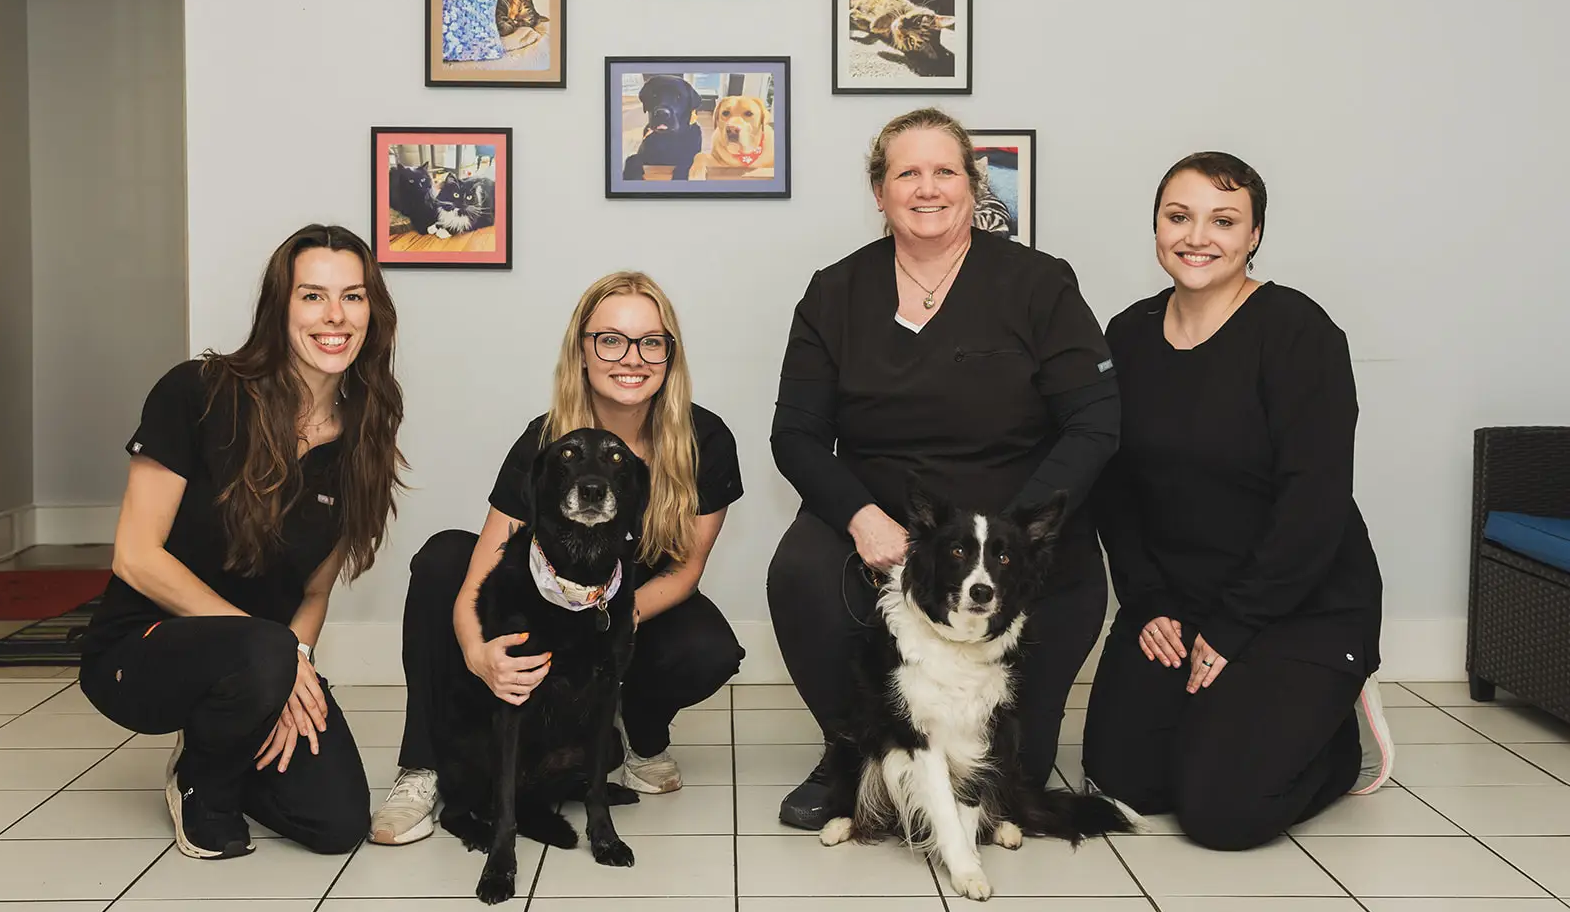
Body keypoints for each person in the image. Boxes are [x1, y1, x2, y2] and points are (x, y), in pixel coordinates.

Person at [766, 107, 1121, 830]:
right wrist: (862, 517)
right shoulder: (834, 292)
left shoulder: (1039, 284)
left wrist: (1015, 536)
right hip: (891, 525)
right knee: (799, 568)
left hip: (1018, 533)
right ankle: (857, 752)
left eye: (944, 171)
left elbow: (1096, 421)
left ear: (971, 185)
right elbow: (796, 435)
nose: (927, 189)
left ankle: (949, 763)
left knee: (1004, 781)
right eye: (907, 173)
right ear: (880, 192)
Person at [1079, 152, 1395, 851]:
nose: (1198, 236)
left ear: (1253, 235)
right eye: (1179, 216)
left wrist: (1234, 625)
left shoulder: (1298, 333)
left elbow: (1313, 504)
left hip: (1298, 604)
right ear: (1156, 227)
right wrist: (1147, 598)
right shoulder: (1126, 335)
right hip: (1180, 600)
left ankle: (1335, 745)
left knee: (1222, 812)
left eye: (1224, 220)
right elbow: (1112, 484)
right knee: (1122, 778)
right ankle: (1234, 723)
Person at [371, 271, 744, 845]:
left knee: (708, 649)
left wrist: (606, 619)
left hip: (627, 599)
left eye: (651, 341)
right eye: (611, 339)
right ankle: (423, 766)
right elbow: (483, 573)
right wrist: (478, 654)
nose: (632, 358)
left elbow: (686, 570)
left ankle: (637, 736)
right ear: (583, 350)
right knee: (445, 557)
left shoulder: (705, 438)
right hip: (548, 596)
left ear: (670, 354)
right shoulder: (545, 440)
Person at [78, 225, 406, 860]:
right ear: (279, 308)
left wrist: (297, 661)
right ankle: (201, 779)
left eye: (354, 296)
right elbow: (135, 556)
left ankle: (231, 729)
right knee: (260, 648)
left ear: (374, 311)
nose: (335, 316)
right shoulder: (197, 392)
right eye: (313, 296)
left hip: (263, 659)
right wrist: (277, 653)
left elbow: (314, 589)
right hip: (140, 651)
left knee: (335, 823)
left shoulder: (364, 433)